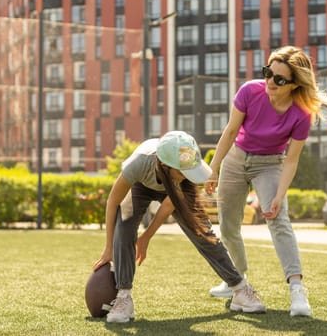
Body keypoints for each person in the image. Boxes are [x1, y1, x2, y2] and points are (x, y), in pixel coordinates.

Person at [204, 46, 327, 317]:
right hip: (235, 158)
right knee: (228, 225)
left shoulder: (301, 114)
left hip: (270, 164)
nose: (270, 82)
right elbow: (230, 131)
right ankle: (236, 281)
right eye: (268, 73)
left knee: (278, 220)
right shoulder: (249, 92)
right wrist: (213, 168)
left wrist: (278, 195)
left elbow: (291, 159)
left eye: (279, 79)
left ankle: (297, 290)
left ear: (294, 84)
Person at [92, 131, 266, 323]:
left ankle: (240, 289)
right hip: (140, 186)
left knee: (202, 233)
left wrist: (146, 237)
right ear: (165, 166)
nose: (188, 175)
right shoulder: (138, 164)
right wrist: (109, 248)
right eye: (183, 171)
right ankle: (124, 297)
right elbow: (113, 202)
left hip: (172, 187)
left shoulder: (182, 177)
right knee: (124, 227)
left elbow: (168, 205)